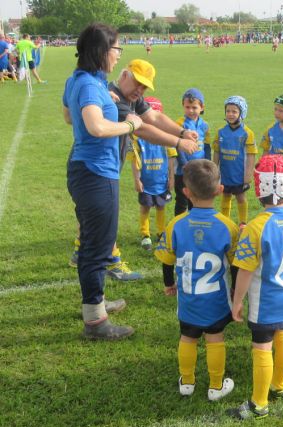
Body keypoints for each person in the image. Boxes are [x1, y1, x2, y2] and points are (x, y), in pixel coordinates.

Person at [69, 59, 199, 279]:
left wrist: (182, 132)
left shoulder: (131, 98)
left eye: (145, 86)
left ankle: (79, 252)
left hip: (96, 166)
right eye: (137, 83)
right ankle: (113, 262)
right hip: (95, 168)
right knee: (105, 217)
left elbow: (154, 116)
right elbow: (143, 129)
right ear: (124, 75)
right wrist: (178, 143)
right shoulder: (114, 97)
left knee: (92, 215)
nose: (140, 90)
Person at [63, 23, 143, 340]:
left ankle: (98, 302)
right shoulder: (88, 85)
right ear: (101, 51)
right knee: (97, 248)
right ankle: (95, 322)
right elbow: (95, 127)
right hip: (96, 172)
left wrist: (102, 98)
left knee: (96, 243)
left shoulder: (81, 80)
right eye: (117, 49)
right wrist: (128, 124)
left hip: (86, 168)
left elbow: (70, 116)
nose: (119, 54)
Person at [228, 154, 283, 420]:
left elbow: (245, 270)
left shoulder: (255, 227)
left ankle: (259, 404)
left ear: (258, 188)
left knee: (262, 346)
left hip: (265, 301)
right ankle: (279, 385)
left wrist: (237, 300)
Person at [155, 159, 238, 400]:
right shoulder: (228, 226)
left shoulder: (176, 224)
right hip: (216, 299)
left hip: (189, 298)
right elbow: (235, 264)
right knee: (215, 338)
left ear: (186, 192)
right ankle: (215, 385)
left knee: (187, 337)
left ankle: (188, 382)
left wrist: (168, 283)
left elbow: (167, 260)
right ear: (220, 190)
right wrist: (233, 291)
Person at [126, 96, 176, 251]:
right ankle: (145, 234)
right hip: (146, 181)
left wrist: (172, 177)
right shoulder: (137, 137)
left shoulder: (165, 136)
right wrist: (137, 179)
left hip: (161, 180)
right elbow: (135, 160)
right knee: (145, 207)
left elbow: (171, 158)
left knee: (161, 207)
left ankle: (161, 232)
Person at [212, 96, 257, 227]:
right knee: (225, 196)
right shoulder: (220, 132)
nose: (230, 114)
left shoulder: (247, 133)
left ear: (242, 114)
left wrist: (248, 175)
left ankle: (243, 222)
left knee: (241, 197)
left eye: (234, 111)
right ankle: (225, 221)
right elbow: (216, 152)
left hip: (239, 174)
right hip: (225, 173)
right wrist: (215, 170)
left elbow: (251, 155)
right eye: (228, 111)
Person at [174, 88, 212, 216]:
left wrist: (207, 163)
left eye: (194, 107)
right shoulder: (180, 124)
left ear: (202, 107)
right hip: (183, 170)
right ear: (183, 106)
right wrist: (185, 164)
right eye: (187, 107)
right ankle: (178, 225)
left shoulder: (204, 125)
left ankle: (192, 224)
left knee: (195, 200)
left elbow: (206, 146)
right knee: (182, 200)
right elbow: (177, 146)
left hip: (199, 169)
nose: (190, 110)